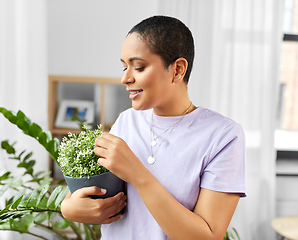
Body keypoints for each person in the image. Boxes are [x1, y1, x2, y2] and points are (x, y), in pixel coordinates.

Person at [61, 15, 246, 240]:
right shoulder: (125, 121)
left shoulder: (223, 136)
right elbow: (86, 195)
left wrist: (138, 174)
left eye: (138, 67)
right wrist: (69, 208)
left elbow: (207, 236)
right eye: (124, 67)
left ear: (177, 70)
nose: (125, 78)